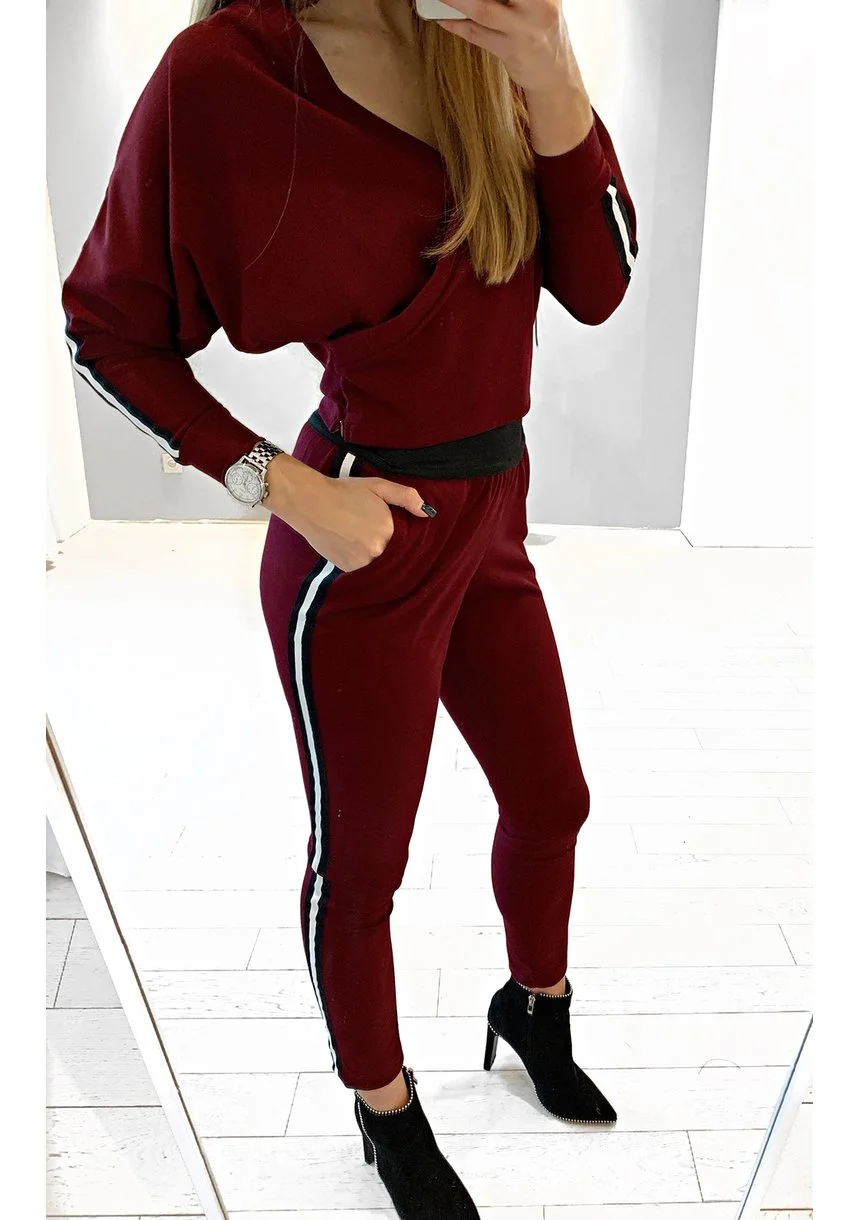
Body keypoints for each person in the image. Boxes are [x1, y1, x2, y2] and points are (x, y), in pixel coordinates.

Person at [60, 1, 638, 1213]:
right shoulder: (223, 72)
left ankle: (533, 1006)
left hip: (492, 513)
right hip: (359, 544)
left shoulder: (484, 36)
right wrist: (284, 487)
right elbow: (104, 330)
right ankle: (382, 1104)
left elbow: (599, 285)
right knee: (363, 862)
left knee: (552, 799)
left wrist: (550, 71)